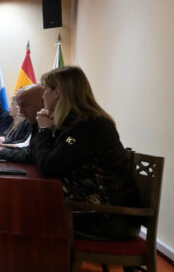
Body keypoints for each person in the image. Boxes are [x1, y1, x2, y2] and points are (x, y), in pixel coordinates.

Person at [33, 66, 140, 241]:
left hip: (109, 219)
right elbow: (42, 158)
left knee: (28, 210)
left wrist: (43, 130)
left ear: (57, 92)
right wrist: (49, 131)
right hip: (98, 210)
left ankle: (46, 266)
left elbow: (48, 166)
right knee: (28, 204)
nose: (42, 95)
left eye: (45, 89)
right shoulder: (76, 124)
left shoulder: (90, 127)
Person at [0, 84, 44, 163]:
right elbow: (31, 151)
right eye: (19, 106)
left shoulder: (45, 124)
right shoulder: (34, 122)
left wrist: (3, 150)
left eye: (24, 105)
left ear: (43, 102)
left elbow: (43, 162)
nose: (21, 111)